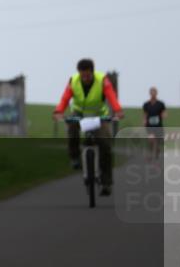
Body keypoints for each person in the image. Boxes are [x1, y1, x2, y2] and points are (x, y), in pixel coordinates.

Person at [52, 58, 125, 195]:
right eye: (82, 75)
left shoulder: (103, 80)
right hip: (79, 113)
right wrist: (58, 111)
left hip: (99, 115)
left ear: (92, 72)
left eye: (88, 75)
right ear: (79, 73)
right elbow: (65, 98)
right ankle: (74, 157)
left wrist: (118, 110)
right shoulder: (73, 81)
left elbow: (111, 96)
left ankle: (106, 182)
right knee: (71, 126)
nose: (85, 78)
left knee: (105, 144)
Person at [143, 87, 168, 160]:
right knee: (151, 140)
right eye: (151, 92)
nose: (153, 94)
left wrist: (164, 115)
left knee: (157, 141)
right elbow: (145, 114)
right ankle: (150, 155)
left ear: (156, 93)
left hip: (158, 125)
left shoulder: (161, 104)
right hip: (149, 125)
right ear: (150, 93)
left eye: (154, 92)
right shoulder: (146, 104)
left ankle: (157, 151)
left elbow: (164, 112)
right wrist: (144, 121)